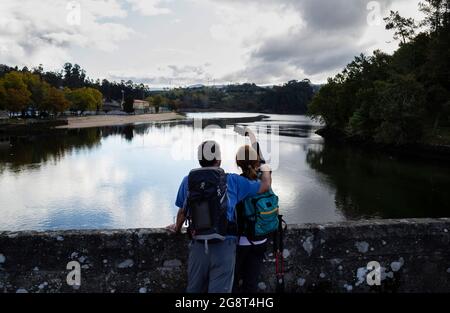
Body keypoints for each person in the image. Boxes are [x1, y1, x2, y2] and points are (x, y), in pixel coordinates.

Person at [167, 140, 272, 293]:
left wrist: (177, 228)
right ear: (219, 159)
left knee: (194, 289)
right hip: (225, 243)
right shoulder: (233, 181)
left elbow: (182, 212)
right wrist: (266, 169)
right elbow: (264, 186)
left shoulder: (188, 180)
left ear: (199, 159)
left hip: (198, 244)